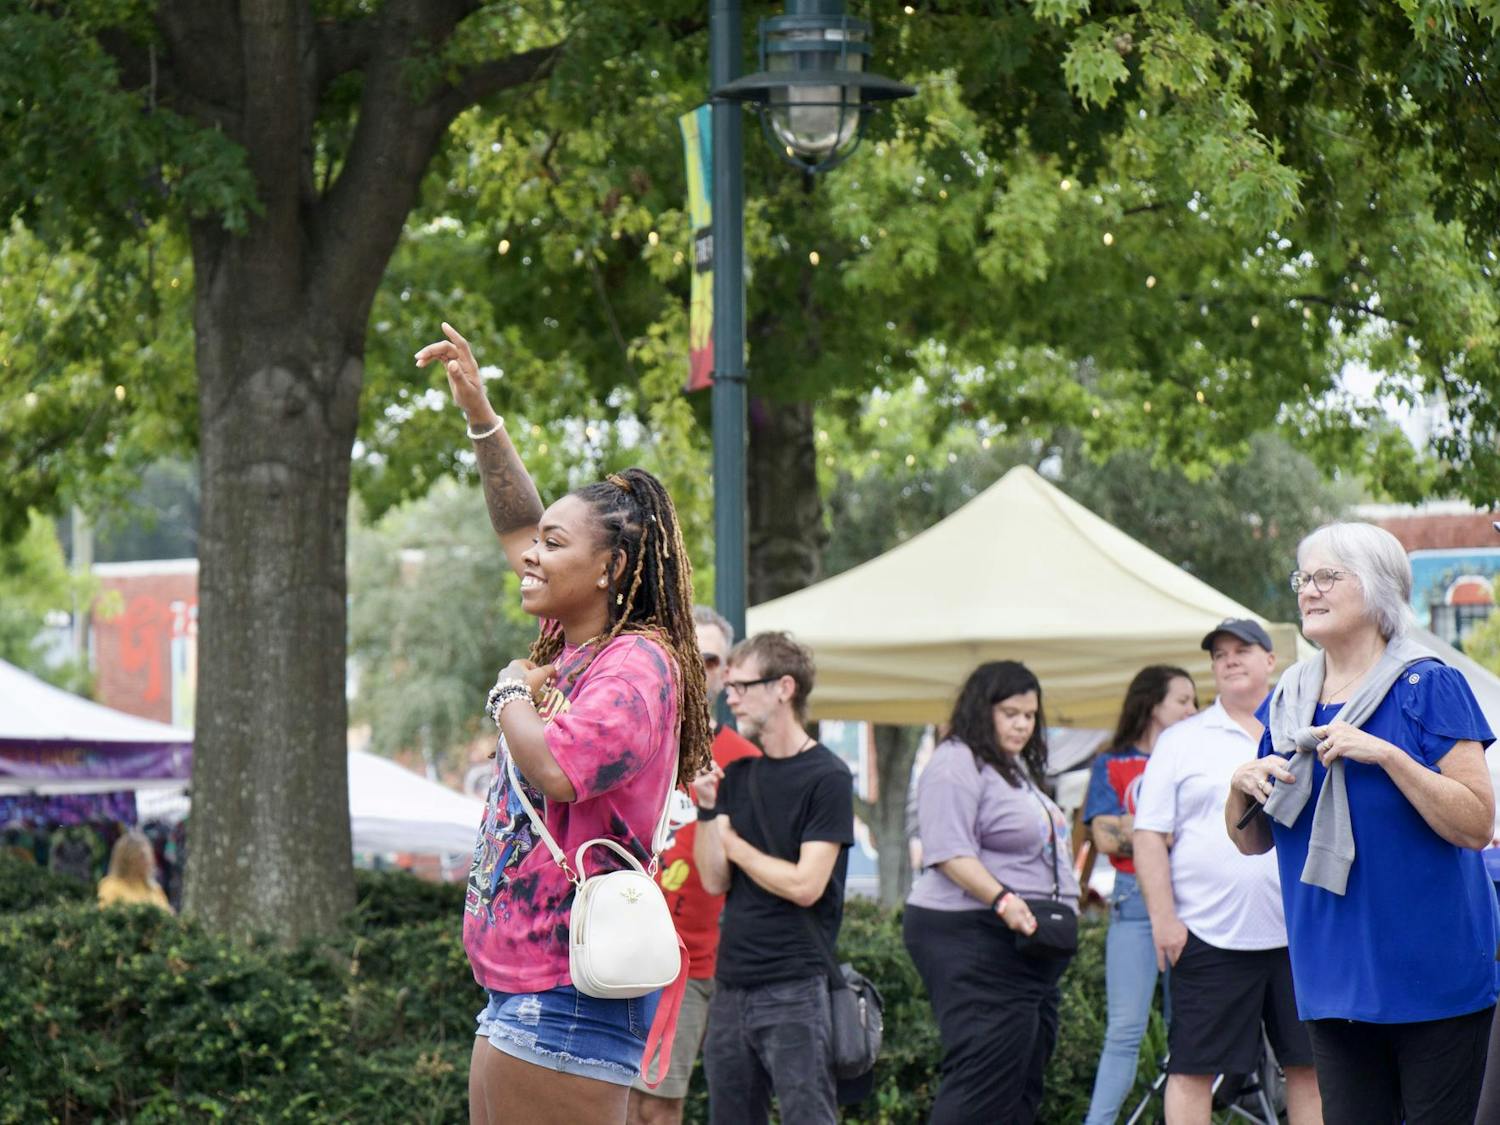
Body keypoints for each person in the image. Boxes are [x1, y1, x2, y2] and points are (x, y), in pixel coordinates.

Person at [415, 323, 714, 1125]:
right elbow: (517, 519)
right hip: (529, 989)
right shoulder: (576, 643)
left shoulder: (638, 666)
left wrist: (509, 689)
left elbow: (557, 768)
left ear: (611, 568)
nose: (532, 557)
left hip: (564, 997)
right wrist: (481, 416)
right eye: (537, 545)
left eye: (556, 545)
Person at [1226, 522, 1498, 1125]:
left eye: (1328, 577)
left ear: (1377, 590)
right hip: (1332, 974)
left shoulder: (1429, 684)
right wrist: (1238, 785)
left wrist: (1388, 756)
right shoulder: (1289, 700)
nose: (1309, 590)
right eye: (1305, 577)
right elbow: (1253, 841)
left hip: (1431, 973)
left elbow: (1477, 824)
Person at [1133, 620, 1321, 1125]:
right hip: (1209, 934)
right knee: (1192, 1070)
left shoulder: (1306, 729)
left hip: (1301, 932)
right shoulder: (1180, 739)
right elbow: (1148, 833)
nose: (1230, 659)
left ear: (1270, 661)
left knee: (1311, 1069)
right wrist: (1163, 920)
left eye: (1242, 649)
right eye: (1219, 654)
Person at [903, 660, 1079, 1125]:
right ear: (982, 710)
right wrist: (1004, 900)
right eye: (1010, 713)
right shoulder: (955, 761)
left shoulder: (1012, 766)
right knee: (985, 1073)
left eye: (1030, 714)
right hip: (972, 934)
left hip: (1023, 942)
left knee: (1023, 1071)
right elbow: (947, 851)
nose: (1023, 724)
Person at [691, 631, 854, 1125]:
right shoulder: (738, 776)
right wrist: (705, 813)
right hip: (732, 983)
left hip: (796, 985)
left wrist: (736, 845)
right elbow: (715, 880)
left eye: (743, 684)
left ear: (784, 687)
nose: (730, 694)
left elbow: (807, 885)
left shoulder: (828, 777)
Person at [627, 607, 760, 1125]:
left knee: (658, 1107)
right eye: (686, 653)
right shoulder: (631, 737)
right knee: (604, 1100)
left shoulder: (743, 760)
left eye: (709, 659)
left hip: (687, 960)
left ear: (725, 672)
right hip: (610, 946)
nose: (696, 667)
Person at [1081, 665, 1197, 1125]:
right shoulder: (1111, 762)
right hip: (1134, 900)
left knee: (1187, 1034)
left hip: (1193, 901)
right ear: (1153, 705)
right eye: (1183, 700)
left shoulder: (1195, 756)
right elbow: (1106, 837)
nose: (1194, 709)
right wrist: (1167, 830)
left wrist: (1143, 830)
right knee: (1125, 1030)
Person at [97, 830, 172, 912]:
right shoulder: (111, 886)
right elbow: (107, 915)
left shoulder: (155, 889)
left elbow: (169, 915)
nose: (149, 861)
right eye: (142, 856)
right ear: (127, 859)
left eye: (149, 855)